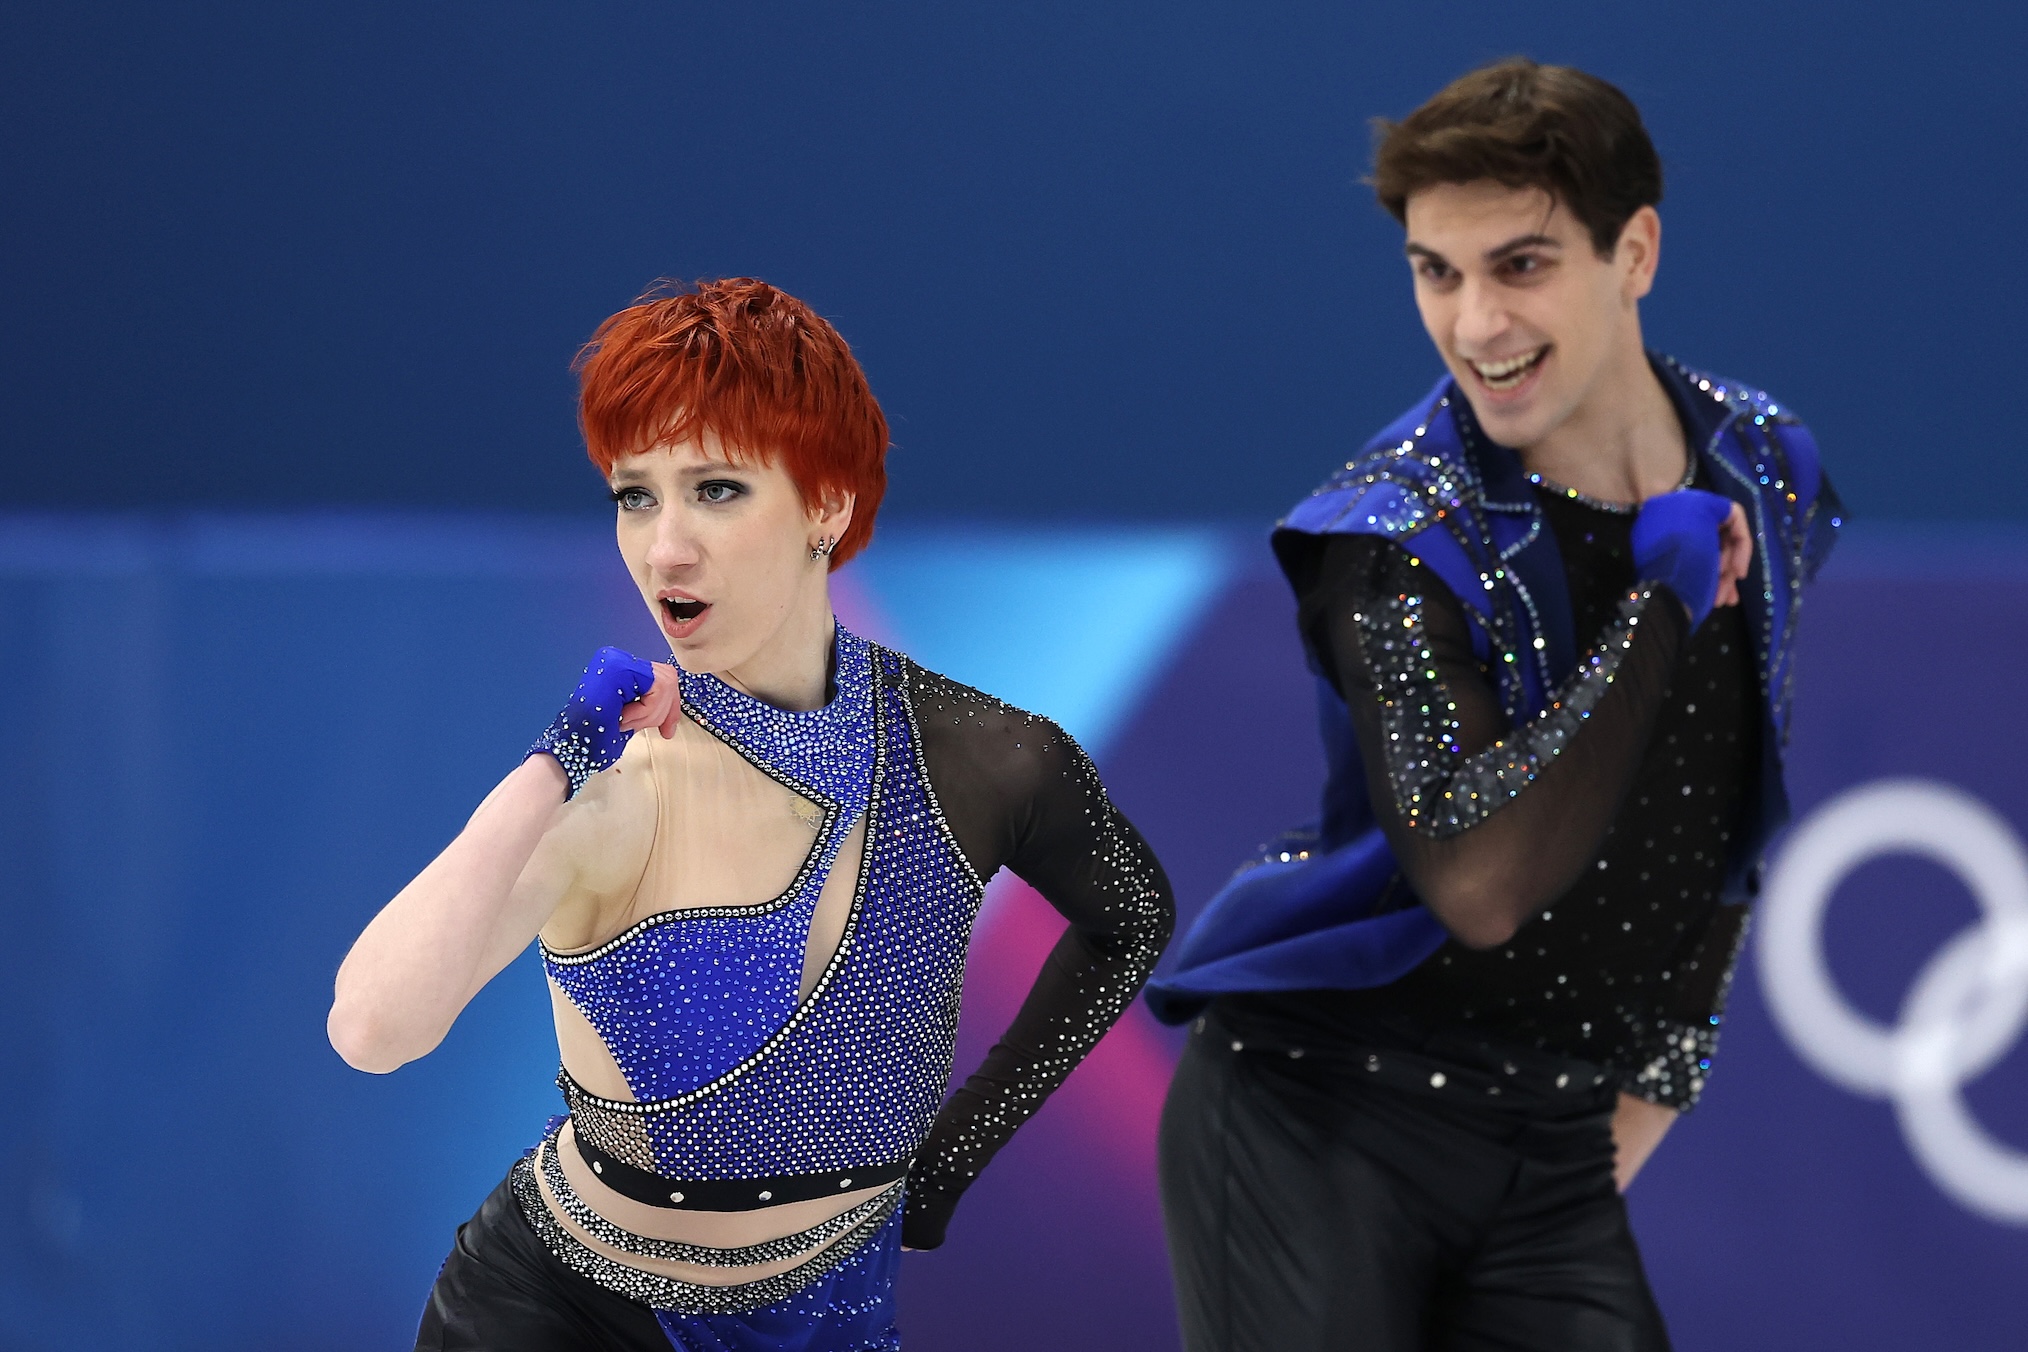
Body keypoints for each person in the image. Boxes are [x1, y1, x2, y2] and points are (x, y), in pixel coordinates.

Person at [327, 278, 1175, 1352]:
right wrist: (551, 763)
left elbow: (1132, 915)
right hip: (555, 1311)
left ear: (828, 505)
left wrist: (954, 1156)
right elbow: (374, 1031)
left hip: (833, 1318)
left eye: (717, 489)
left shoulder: (986, 760)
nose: (665, 549)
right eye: (636, 496)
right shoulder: (613, 789)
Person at [1147, 59, 1840, 1351]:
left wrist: (1646, 1089)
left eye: (1520, 265)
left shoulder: (1762, 460)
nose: (1475, 324)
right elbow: (1478, 879)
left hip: (1551, 1143)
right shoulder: (1393, 534)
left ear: (1634, 252)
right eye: (1436, 272)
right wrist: (1661, 601)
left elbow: (1722, 805)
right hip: (1315, 1120)